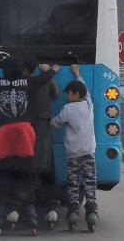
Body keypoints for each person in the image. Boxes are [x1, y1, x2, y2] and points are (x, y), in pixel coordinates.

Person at [0, 56, 60, 233]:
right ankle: (31, 217)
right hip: (24, 132)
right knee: (26, 173)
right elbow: (44, 78)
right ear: (21, 70)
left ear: (3, 71)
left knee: (5, 173)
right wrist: (52, 70)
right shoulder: (28, 82)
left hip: (3, 133)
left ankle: (0, 216)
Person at [50, 64, 98, 229]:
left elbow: (56, 123)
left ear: (75, 94)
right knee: (90, 181)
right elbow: (86, 91)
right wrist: (77, 74)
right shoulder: (89, 105)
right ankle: (91, 212)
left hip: (73, 155)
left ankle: (73, 211)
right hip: (89, 152)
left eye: (68, 93)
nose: (66, 96)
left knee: (73, 183)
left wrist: (46, 122)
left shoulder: (67, 109)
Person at [22, 57, 61, 225]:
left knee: (27, 167)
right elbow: (57, 93)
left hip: (26, 129)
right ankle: (52, 206)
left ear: (23, 71)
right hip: (43, 129)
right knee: (47, 167)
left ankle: (27, 206)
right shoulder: (43, 81)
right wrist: (48, 73)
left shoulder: (19, 85)